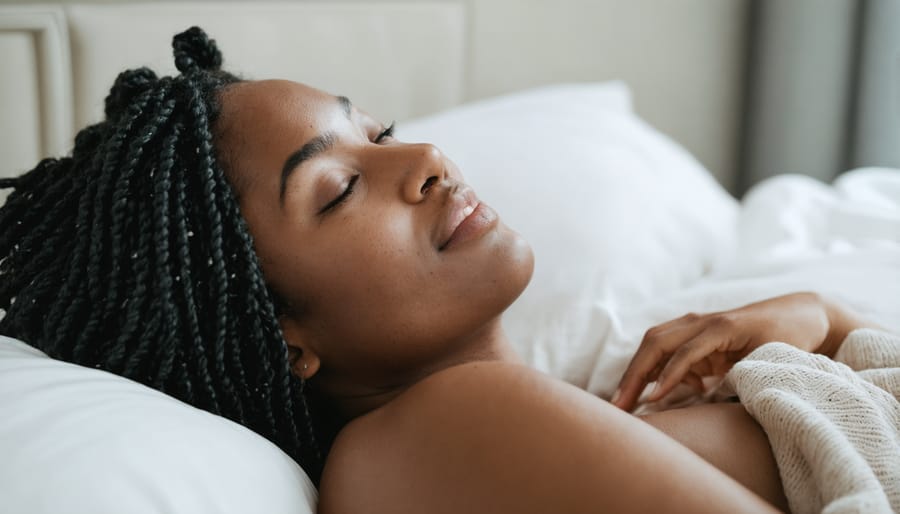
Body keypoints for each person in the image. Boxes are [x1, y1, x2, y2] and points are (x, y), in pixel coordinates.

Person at [0, 27, 881, 513]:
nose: (421, 157)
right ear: (282, 335)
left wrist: (814, 318)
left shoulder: (561, 399)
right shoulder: (426, 433)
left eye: (378, 132)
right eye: (340, 188)